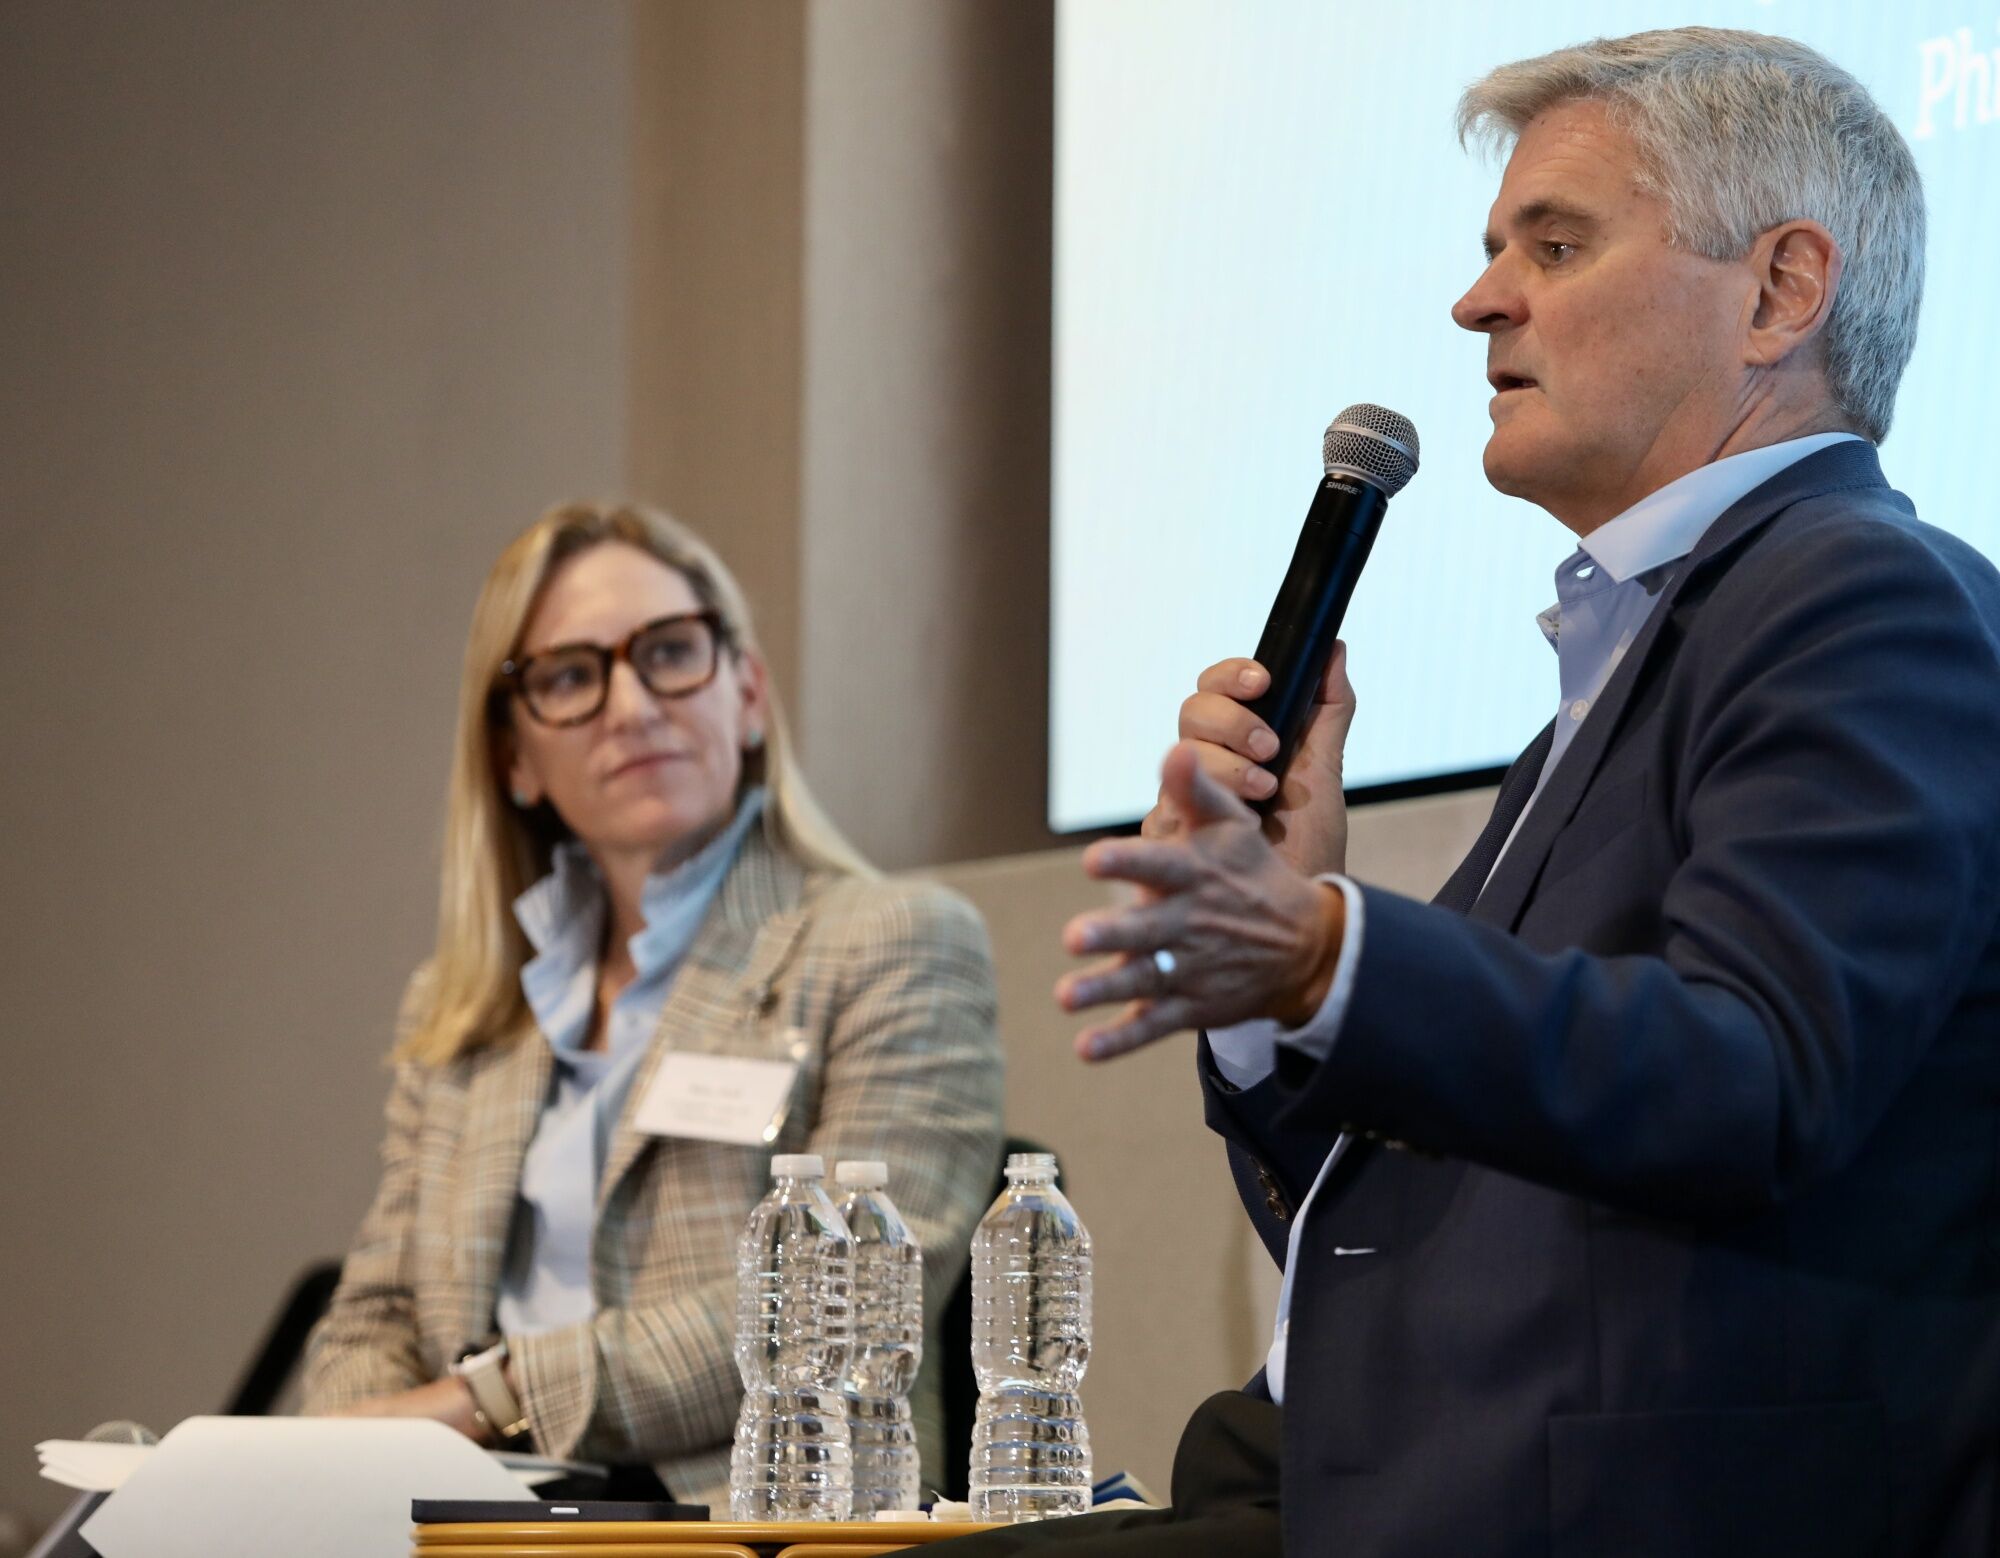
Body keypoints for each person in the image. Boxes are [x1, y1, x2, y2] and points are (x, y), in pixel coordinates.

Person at [960, 27, 2000, 1558]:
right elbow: (1403, 1212)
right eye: (1494, 249)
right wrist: (1277, 979)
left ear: (1781, 291)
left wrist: (1331, 955)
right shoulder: (1630, 665)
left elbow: (1760, 1074)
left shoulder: (1862, 597)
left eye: (1555, 245)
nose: (1478, 300)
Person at [301, 501, 1004, 1508]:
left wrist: (487, 1398)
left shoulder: (890, 941)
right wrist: (355, 1461)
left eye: (669, 652)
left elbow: (844, 1309)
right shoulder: (467, 1015)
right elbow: (373, 1315)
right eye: (570, 677)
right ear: (513, 757)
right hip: (469, 1519)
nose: (630, 707)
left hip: (749, 1520)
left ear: (747, 693)